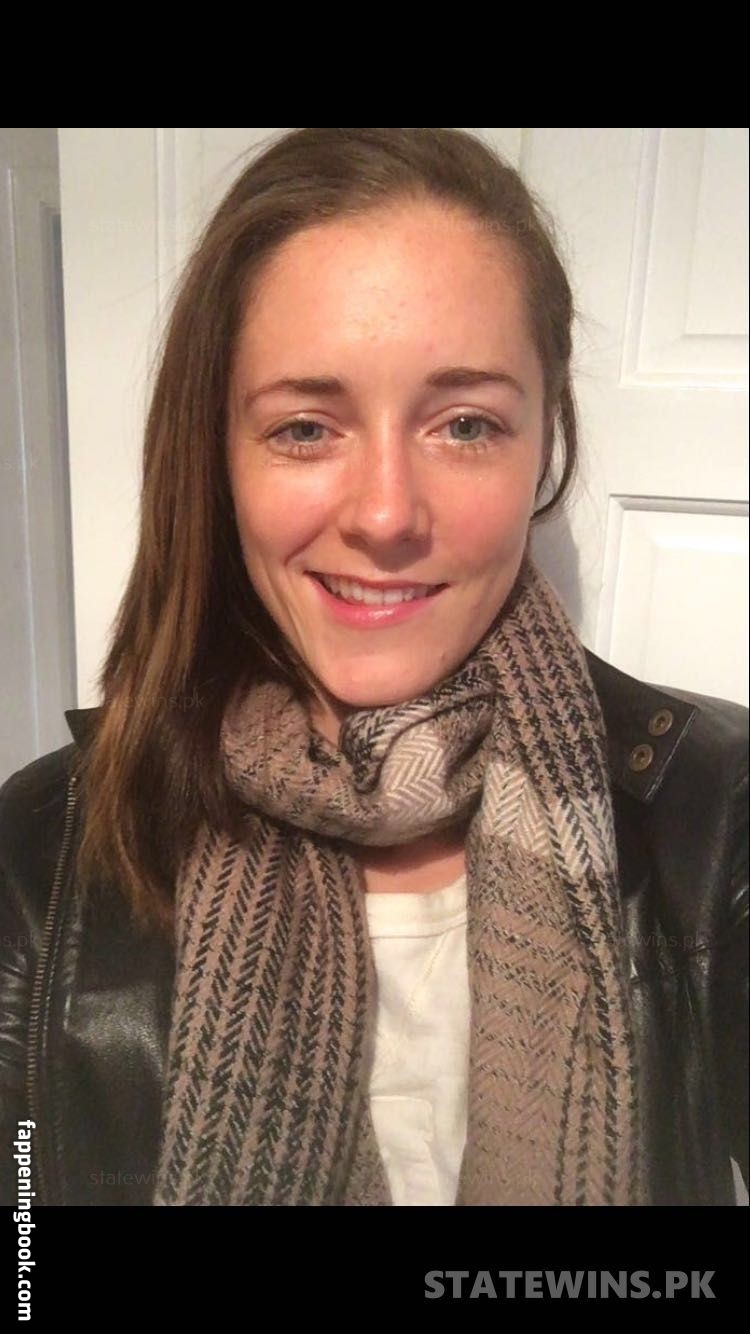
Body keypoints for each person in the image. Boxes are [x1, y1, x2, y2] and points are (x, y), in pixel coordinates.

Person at [0, 127, 746, 1208]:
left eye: (466, 424)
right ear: (217, 454)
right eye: (306, 427)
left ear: (545, 440)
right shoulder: (40, 855)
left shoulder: (715, 812)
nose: (387, 514)